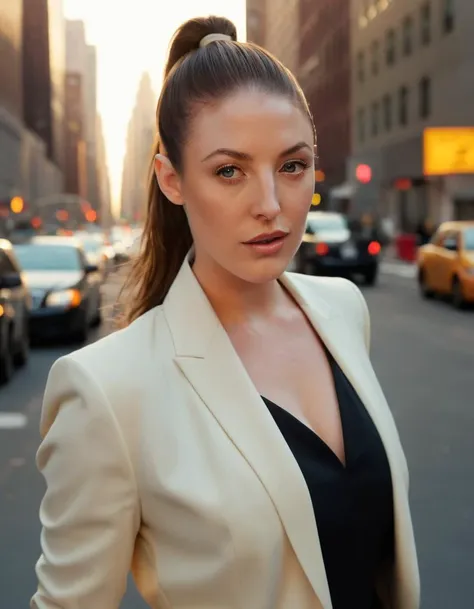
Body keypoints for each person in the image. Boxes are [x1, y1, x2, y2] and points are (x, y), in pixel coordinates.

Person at [31, 15, 420, 609]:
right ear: (172, 179)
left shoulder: (343, 310)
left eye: (292, 166)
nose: (271, 206)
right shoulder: (107, 392)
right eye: (229, 171)